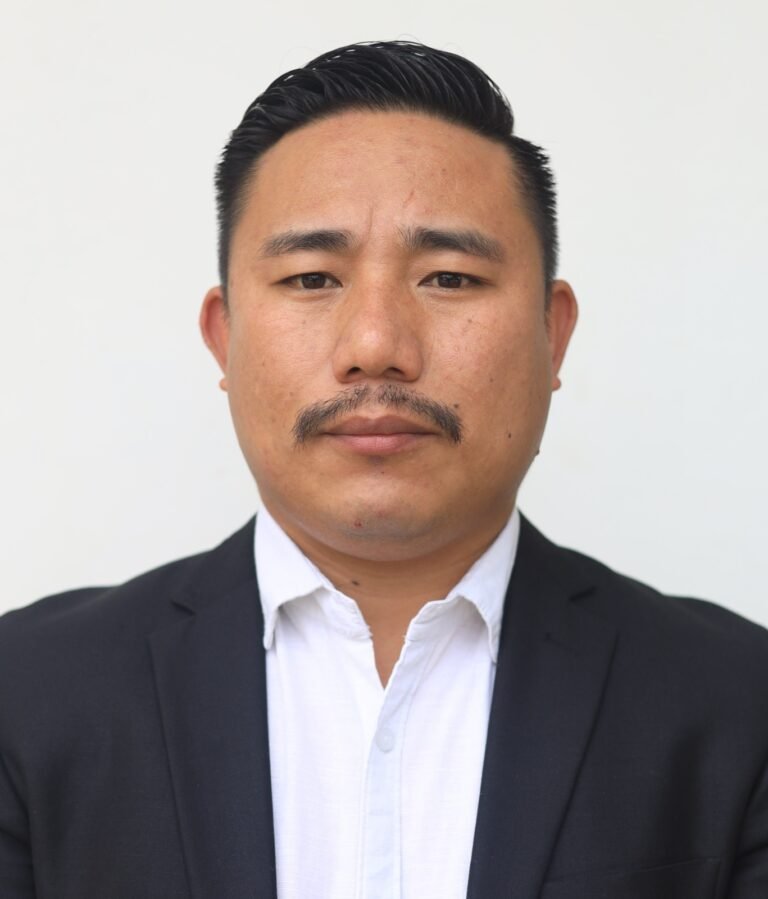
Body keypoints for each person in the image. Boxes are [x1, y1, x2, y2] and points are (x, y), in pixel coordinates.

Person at [0, 39, 766, 899]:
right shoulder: (27, 694)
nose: (375, 346)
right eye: (311, 278)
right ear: (225, 336)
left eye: (449, 277)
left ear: (553, 335)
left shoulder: (736, 702)